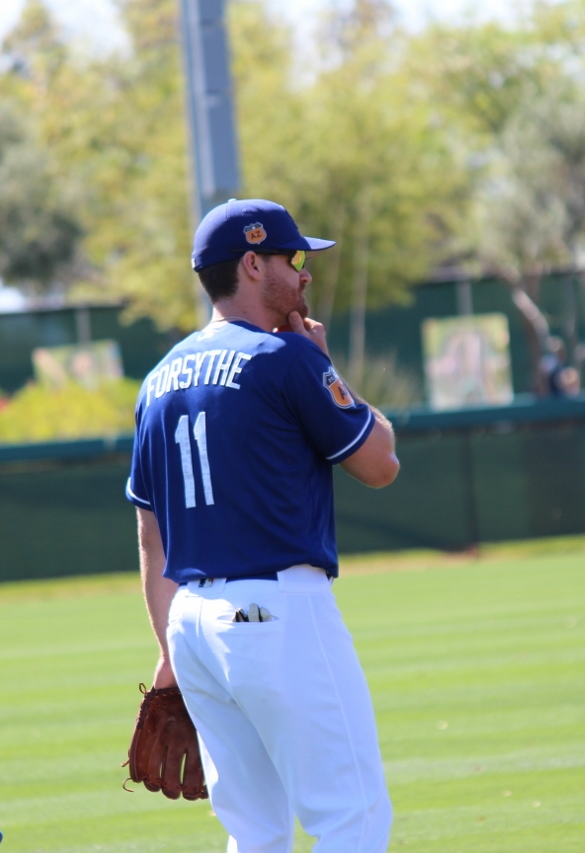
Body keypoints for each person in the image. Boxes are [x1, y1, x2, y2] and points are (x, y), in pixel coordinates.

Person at [126, 198, 400, 852]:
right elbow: (380, 463)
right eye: (292, 256)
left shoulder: (157, 381)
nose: (304, 272)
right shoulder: (286, 357)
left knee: (254, 832)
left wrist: (168, 651)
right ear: (252, 264)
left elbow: (151, 536)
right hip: (276, 613)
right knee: (352, 816)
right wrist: (328, 369)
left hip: (191, 624)